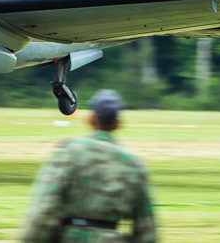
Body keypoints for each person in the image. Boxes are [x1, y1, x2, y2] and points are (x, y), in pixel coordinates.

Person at [22, 90, 157, 242]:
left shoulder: (69, 152)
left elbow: (46, 209)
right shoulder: (134, 165)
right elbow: (146, 230)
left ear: (91, 119)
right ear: (118, 124)